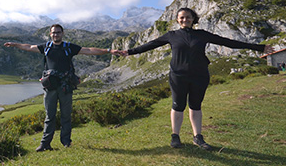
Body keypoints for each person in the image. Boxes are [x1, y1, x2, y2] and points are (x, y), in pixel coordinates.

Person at [117, 8, 273, 150]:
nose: (185, 20)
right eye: (182, 18)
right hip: (178, 76)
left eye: (188, 17)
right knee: (178, 106)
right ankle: (175, 136)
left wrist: (259, 47)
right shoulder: (171, 35)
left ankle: (198, 137)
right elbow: (150, 45)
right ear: (177, 20)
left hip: (200, 75)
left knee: (195, 106)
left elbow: (229, 42)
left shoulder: (202, 35)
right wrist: (129, 52)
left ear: (193, 19)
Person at [4, 24, 122, 152]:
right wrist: (15, 44)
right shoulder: (46, 47)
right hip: (50, 87)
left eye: (58, 32)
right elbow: (29, 47)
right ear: (50, 34)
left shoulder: (69, 47)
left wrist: (108, 51)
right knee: (50, 116)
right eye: (54, 33)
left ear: (62, 33)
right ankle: (45, 144)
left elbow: (88, 50)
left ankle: (66, 142)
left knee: (66, 116)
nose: (56, 35)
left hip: (65, 87)